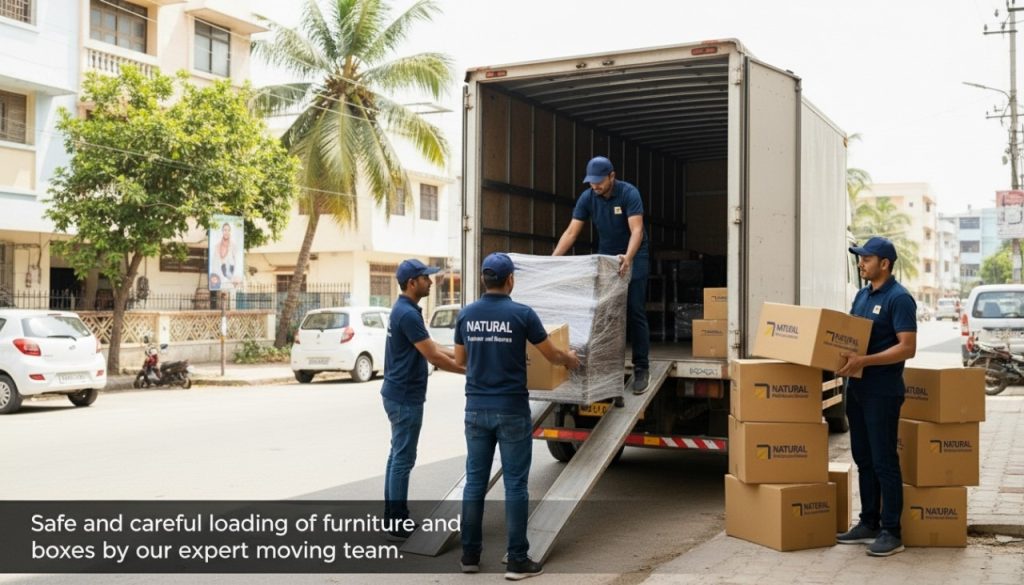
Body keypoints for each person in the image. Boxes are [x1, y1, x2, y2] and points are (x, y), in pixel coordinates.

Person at [454, 253, 580, 580]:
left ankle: (469, 556)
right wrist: (571, 359)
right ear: (510, 279)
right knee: (515, 486)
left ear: (485, 279)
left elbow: (460, 360)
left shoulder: (466, 314)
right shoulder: (521, 314)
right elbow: (550, 354)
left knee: (475, 484)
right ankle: (517, 560)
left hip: (476, 409)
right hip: (511, 408)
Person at [836, 236, 917, 557]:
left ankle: (891, 531)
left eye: (866, 259)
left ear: (884, 263)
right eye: (860, 258)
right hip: (857, 389)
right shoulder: (862, 295)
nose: (860, 263)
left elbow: (907, 347)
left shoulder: (900, 299)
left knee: (884, 461)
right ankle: (868, 522)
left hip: (882, 392)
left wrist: (864, 362)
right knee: (863, 458)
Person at [380, 258, 465, 541]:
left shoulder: (406, 310)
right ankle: (398, 521)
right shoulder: (407, 314)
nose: (430, 281)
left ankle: (392, 516)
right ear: (412, 282)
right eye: (425, 278)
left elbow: (433, 346)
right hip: (404, 396)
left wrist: (464, 353)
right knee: (403, 458)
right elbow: (433, 356)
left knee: (397, 455)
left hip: (397, 392)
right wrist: (469, 371)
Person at [552, 156, 651, 394]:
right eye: (591, 182)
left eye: (598, 181)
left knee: (634, 310)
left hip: (634, 255)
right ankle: (604, 366)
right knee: (604, 312)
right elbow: (571, 232)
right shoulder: (588, 198)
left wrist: (628, 257)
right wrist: (553, 260)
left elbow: (637, 230)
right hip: (606, 258)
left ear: (611, 176)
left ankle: (641, 368)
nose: (594, 186)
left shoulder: (629, 193)